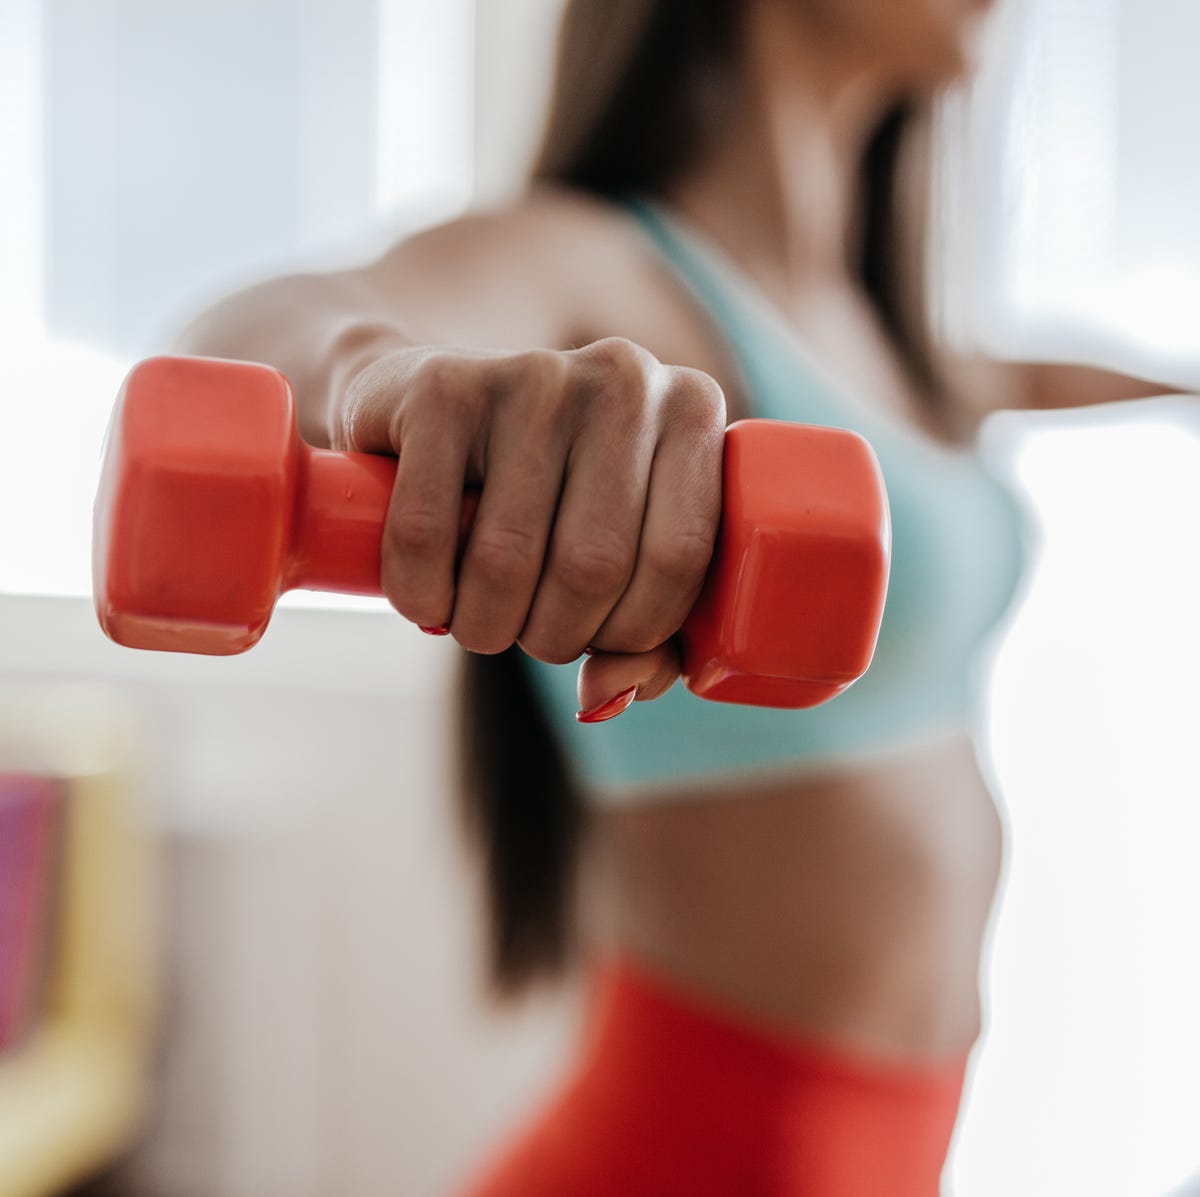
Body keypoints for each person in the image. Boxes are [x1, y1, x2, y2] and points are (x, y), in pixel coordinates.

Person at [177, 1, 1187, 1192]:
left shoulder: (879, 320)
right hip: (696, 1149)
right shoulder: (599, 266)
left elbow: (1018, 369)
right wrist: (381, 378)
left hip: (900, 1140)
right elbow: (248, 342)